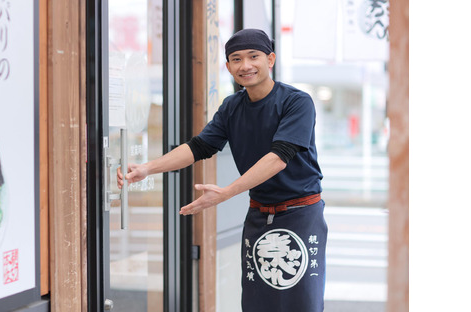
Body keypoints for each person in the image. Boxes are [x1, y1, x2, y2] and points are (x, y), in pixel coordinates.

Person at [118, 28, 327, 312]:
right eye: (236, 59)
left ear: (270, 59)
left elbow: (279, 157)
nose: (246, 66)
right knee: (257, 302)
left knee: (301, 303)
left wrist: (226, 193)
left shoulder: (296, 102)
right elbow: (199, 147)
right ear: (228, 67)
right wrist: (147, 168)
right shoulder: (232, 107)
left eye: (254, 56)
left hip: (301, 215)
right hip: (259, 213)